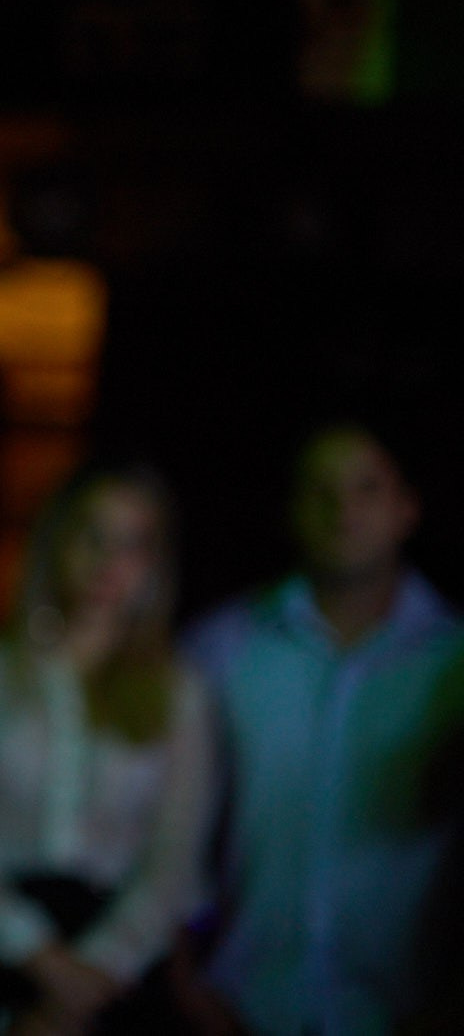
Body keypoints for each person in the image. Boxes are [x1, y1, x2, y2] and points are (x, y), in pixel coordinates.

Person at [185, 422, 464, 1035]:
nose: (344, 510)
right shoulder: (220, 650)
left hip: (404, 1010)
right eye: (321, 489)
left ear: (406, 508)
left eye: (368, 488)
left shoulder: (452, 666)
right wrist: (185, 985)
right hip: (237, 1007)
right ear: (291, 508)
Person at [0, 464, 213, 1036]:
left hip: (119, 973)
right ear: (57, 539)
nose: (110, 560)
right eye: (94, 535)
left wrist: (87, 982)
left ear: (155, 563)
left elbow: (175, 859)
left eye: (134, 544)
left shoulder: (182, 695)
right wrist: (37, 959)